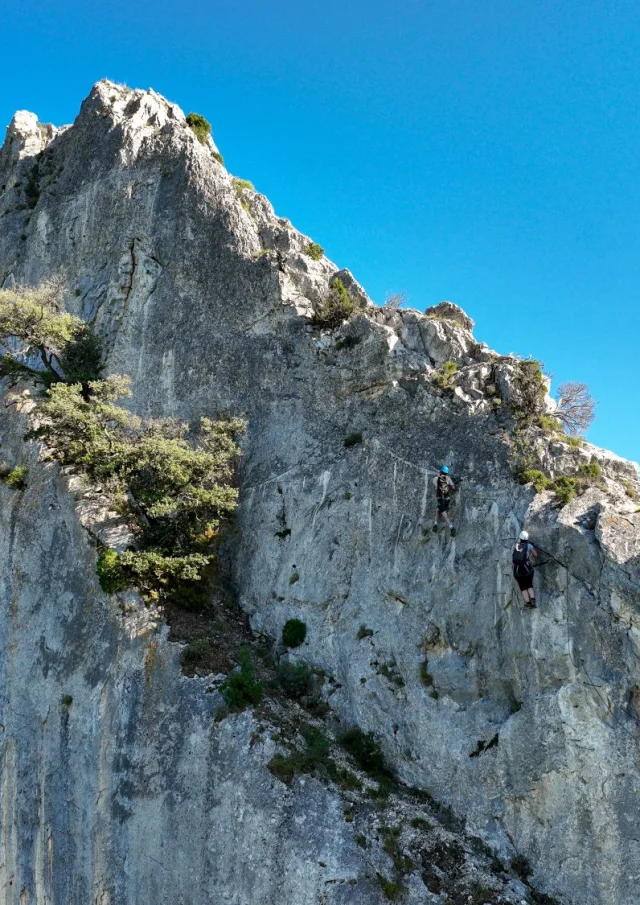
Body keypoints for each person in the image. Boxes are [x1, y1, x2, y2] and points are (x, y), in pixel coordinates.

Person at [512, 530, 538, 608]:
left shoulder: (515, 546)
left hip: (517, 571)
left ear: (520, 538)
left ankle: (527, 603)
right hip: (527, 570)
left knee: (523, 587)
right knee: (529, 585)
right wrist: (532, 547)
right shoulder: (529, 545)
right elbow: (536, 555)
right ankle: (533, 600)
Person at [432, 466, 457, 537]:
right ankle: (435, 524)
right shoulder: (448, 478)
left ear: (440, 471)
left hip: (440, 499)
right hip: (447, 499)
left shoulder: (435, 478)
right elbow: (453, 487)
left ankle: (451, 528)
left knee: (444, 515)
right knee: (437, 510)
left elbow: (436, 487)